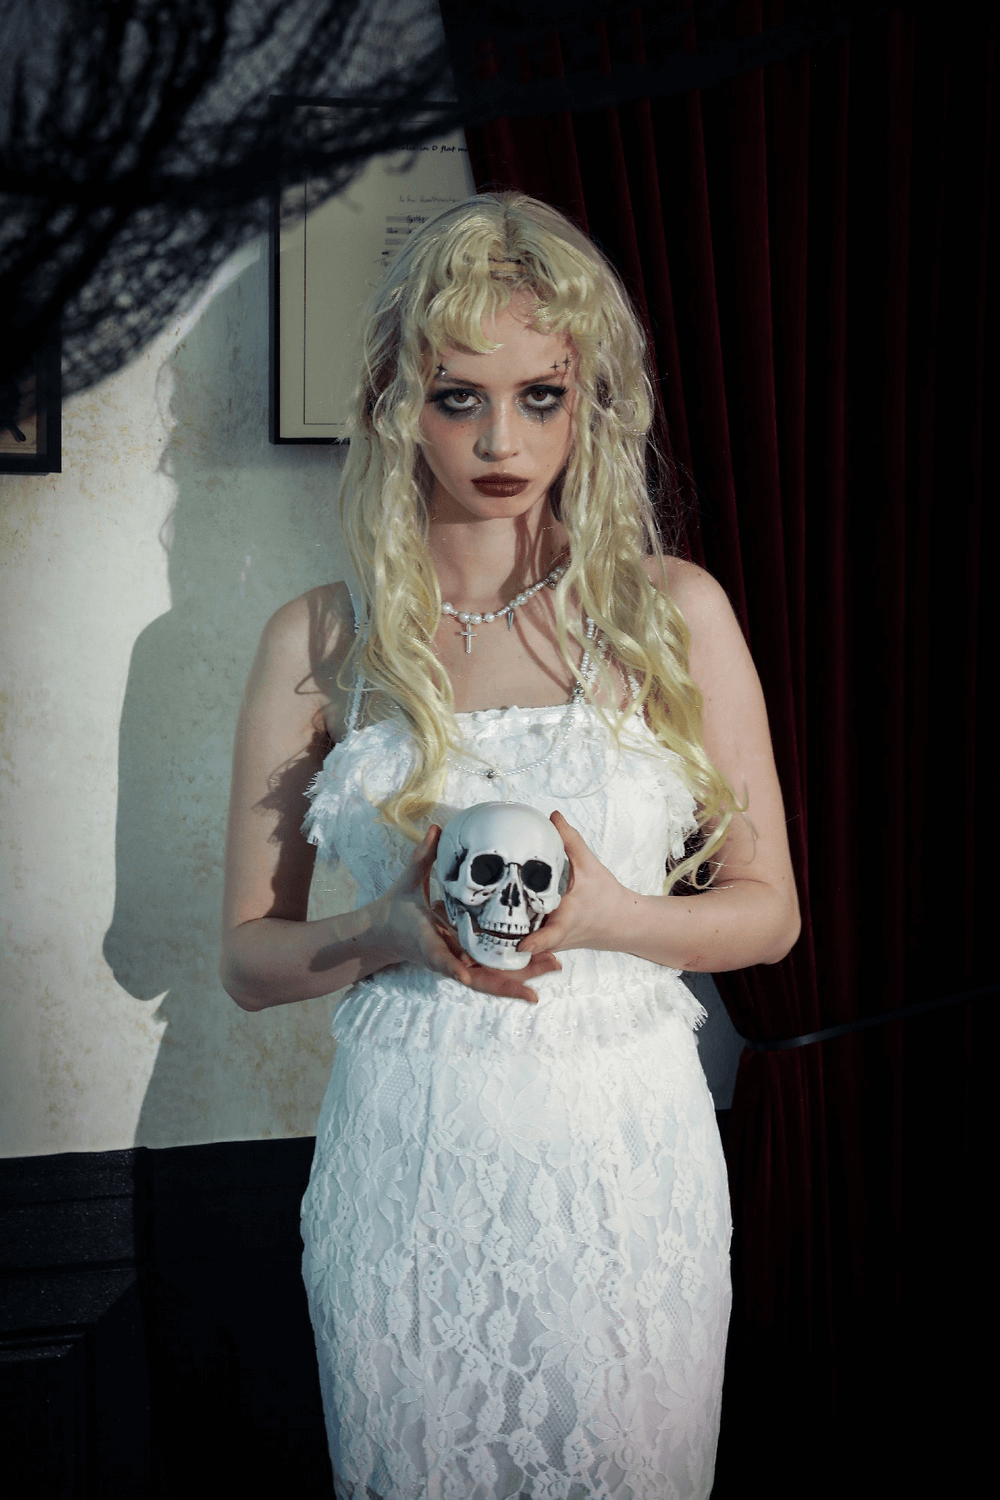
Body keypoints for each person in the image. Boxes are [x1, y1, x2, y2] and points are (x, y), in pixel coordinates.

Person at [221, 192, 799, 1500]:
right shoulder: (321, 640)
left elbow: (769, 916)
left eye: (539, 396)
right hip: (411, 1164)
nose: (496, 438)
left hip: (622, 1166)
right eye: (455, 395)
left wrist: (613, 919)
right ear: (391, 403)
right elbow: (248, 962)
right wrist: (380, 933)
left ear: (592, 400)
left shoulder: (671, 613)